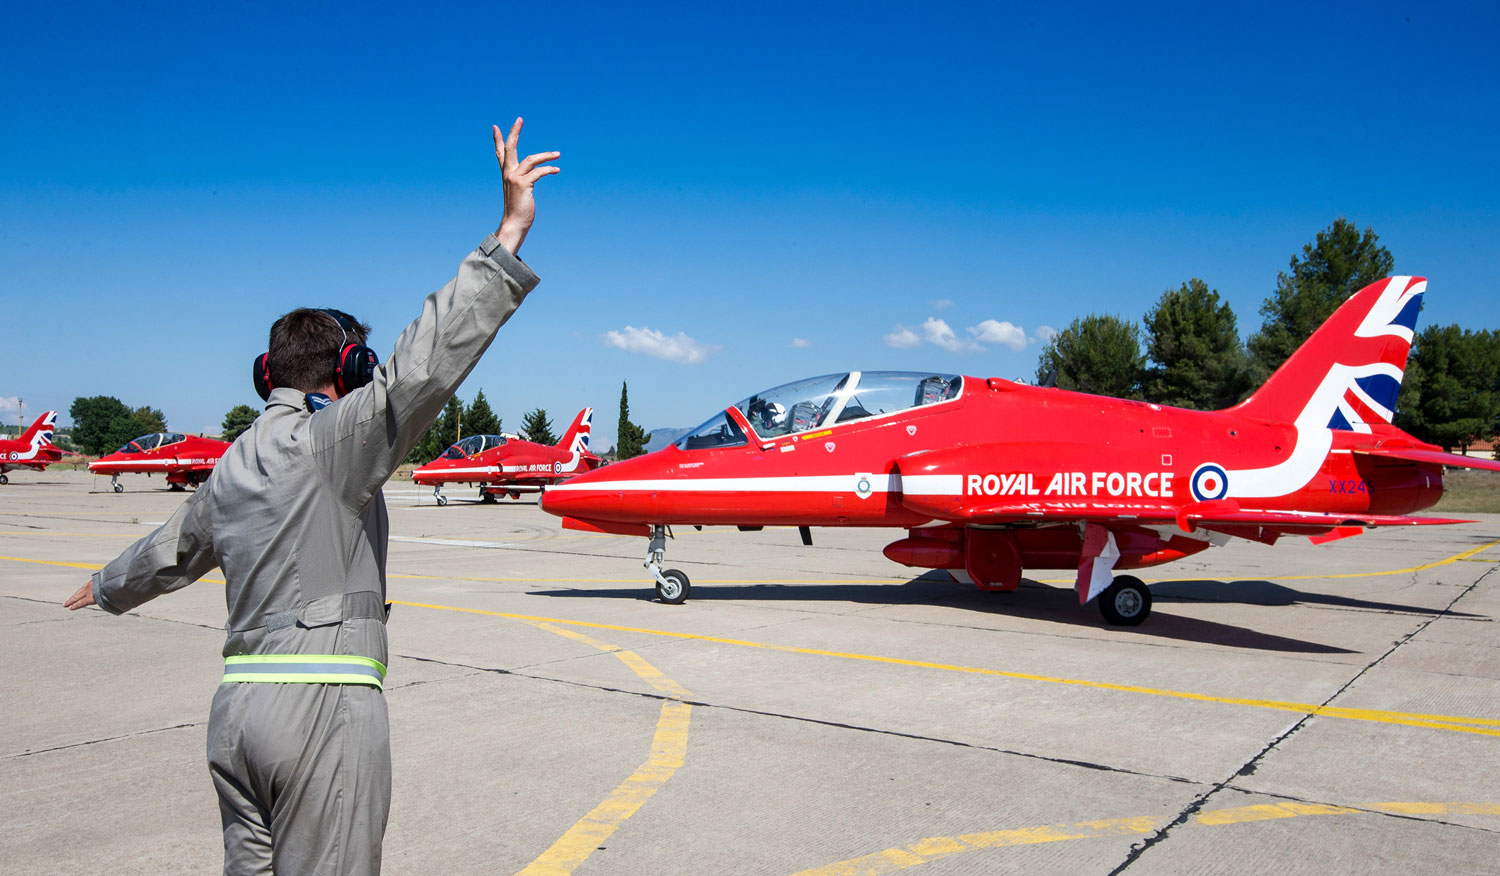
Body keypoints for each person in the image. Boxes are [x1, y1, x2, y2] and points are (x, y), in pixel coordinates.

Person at [64, 118, 559, 875]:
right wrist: (507, 235)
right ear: (347, 371)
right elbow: (422, 370)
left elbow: (169, 552)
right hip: (319, 711)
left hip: (235, 720)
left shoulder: (231, 464)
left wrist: (103, 587)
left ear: (269, 373)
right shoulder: (334, 443)